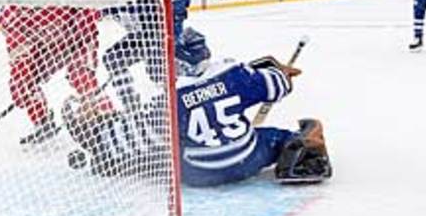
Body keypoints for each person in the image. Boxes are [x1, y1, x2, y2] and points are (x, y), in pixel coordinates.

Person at [65, 33, 332, 186]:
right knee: (274, 136)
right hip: (248, 159)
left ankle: (105, 143)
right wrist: (279, 73)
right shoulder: (235, 75)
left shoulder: (166, 101)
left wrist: (99, 137)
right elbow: (278, 86)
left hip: (199, 173)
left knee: (159, 148)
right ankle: (301, 150)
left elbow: (141, 135)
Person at [0, 0, 106, 146]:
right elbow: (18, 53)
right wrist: (24, 79)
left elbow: (90, 10)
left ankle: (101, 113)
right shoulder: (12, 14)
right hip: (46, 52)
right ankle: (42, 122)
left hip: (76, 43)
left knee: (81, 75)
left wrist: (82, 25)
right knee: (20, 85)